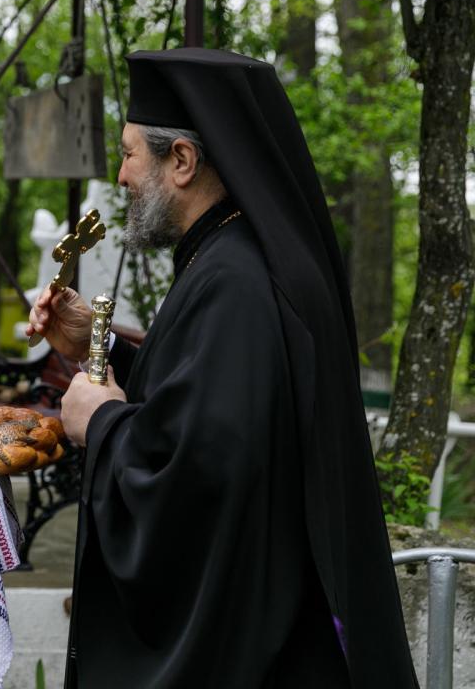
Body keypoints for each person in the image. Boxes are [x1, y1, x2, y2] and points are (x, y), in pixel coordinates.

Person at [26, 48, 417, 687]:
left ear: (181, 160)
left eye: (129, 154)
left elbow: (200, 476)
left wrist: (100, 424)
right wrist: (99, 344)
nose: (121, 177)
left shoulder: (235, 280)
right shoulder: (235, 255)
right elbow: (208, 394)